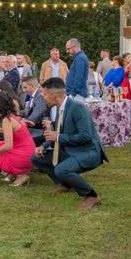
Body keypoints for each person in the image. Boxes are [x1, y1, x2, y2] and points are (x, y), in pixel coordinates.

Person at [31, 78, 106, 209]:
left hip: (88, 151)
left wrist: (58, 137)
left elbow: (86, 136)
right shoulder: (59, 108)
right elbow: (57, 133)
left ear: (54, 95)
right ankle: (67, 185)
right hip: (70, 148)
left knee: (61, 170)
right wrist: (43, 146)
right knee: (36, 158)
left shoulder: (78, 107)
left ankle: (92, 196)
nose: (42, 97)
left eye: (44, 94)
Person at [20, 76, 48, 140]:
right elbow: (26, 111)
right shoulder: (32, 95)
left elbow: (36, 114)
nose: (24, 91)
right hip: (33, 129)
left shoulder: (40, 96)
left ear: (32, 86)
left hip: (39, 131)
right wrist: (14, 113)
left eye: (25, 87)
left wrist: (24, 122)